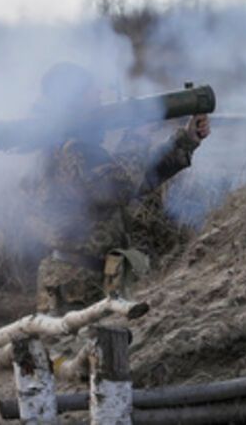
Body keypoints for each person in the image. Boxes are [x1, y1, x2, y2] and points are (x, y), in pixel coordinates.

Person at [27, 62, 210, 314]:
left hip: (87, 277)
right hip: (75, 283)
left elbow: (136, 180)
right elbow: (118, 187)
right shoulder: (71, 149)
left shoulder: (75, 146)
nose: (100, 98)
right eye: (92, 93)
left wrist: (186, 141)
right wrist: (137, 137)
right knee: (72, 341)